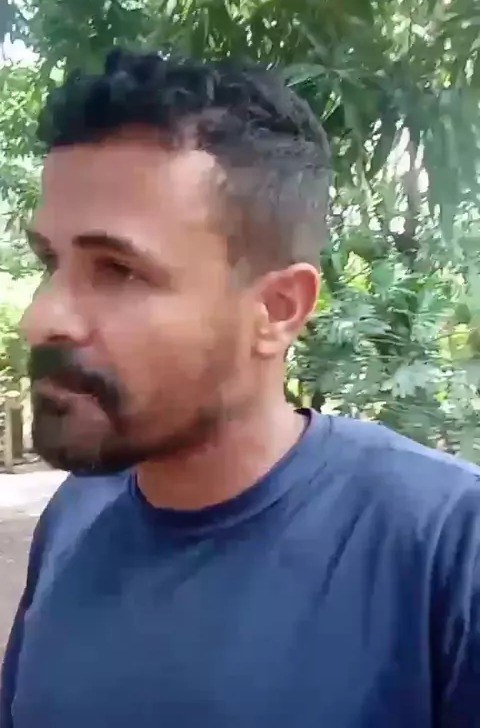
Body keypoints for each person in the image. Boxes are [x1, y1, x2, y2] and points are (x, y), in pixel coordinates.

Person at [1, 49, 479, 728]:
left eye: (118, 270)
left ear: (277, 310)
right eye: (50, 261)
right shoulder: (76, 515)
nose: (42, 317)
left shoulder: (447, 548)